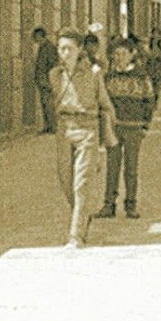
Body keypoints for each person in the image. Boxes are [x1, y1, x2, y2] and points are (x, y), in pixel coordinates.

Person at [51, 27, 117, 248]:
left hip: (87, 129)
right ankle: (83, 213)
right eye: (61, 49)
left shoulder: (94, 73)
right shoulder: (55, 75)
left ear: (79, 49)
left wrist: (103, 140)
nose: (64, 53)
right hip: (64, 129)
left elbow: (106, 105)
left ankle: (76, 234)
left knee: (81, 183)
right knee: (65, 180)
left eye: (69, 49)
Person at [95, 38, 157, 220]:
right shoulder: (109, 77)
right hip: (113, 128)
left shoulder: (141, 77)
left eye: (123, 54)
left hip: (134, 127)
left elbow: (149, 101)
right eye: (116, 54)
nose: (119, 57)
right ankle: (109, 204)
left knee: (131, 168)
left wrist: (146, 124)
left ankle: (131, 204)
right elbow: (102, 103)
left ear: (132, 55)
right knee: (112, 167)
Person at [33, 26, 59, 134]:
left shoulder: (49, 47)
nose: (34, 39)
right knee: (44, 103)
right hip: (42, 79)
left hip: (47, 80)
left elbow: (53, 65)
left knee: (49, 104)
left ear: (40, 36)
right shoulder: (42, 47)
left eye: (36, 36)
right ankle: (48, 126)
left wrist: (51, 80)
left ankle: (52, 127)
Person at [147, 30, 161, 102]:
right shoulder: (150, 43)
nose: (154, 35)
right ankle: (152, 98)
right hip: (150, 65)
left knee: (156, 83)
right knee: (150, 83)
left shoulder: (160, 43)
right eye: (153, 33)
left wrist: (159, 56)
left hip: (157, 65)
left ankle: (155, 99)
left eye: (156, 34)